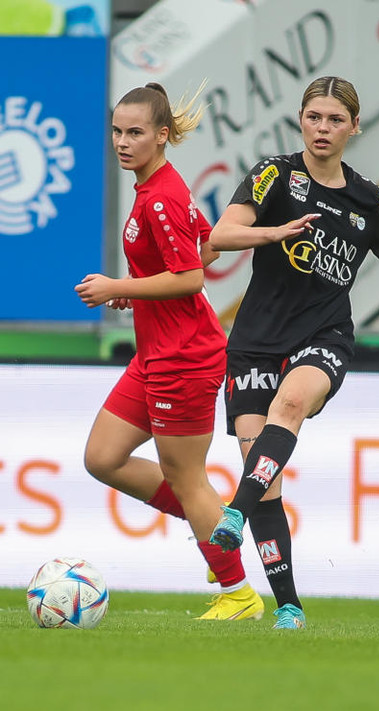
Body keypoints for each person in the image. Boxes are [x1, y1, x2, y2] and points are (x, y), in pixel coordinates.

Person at [207, 75, 379, 629]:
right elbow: (220, 236)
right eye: (314, 117)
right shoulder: (274, 175)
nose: (322, 128)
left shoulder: (367, 198)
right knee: (266, 483)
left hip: (323, 336)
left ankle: (234, 511)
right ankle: (289, 606)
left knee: (290, 406)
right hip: (254, 342)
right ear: (300, 120)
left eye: (335, 120)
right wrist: (273, 232)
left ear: (355, 127)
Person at [74, 82, 264, 621]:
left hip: (184, 357)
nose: (122, 142)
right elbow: (205, 244)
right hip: (156, 352)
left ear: (161, 135)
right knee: (103, 457)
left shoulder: (160, 196)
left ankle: (239, 596)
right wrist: (141, 293)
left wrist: (119, 287)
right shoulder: (157, 188)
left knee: (186, 477)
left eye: (134, 132)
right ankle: (215, 524)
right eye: (117, 131)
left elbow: (190, 277)